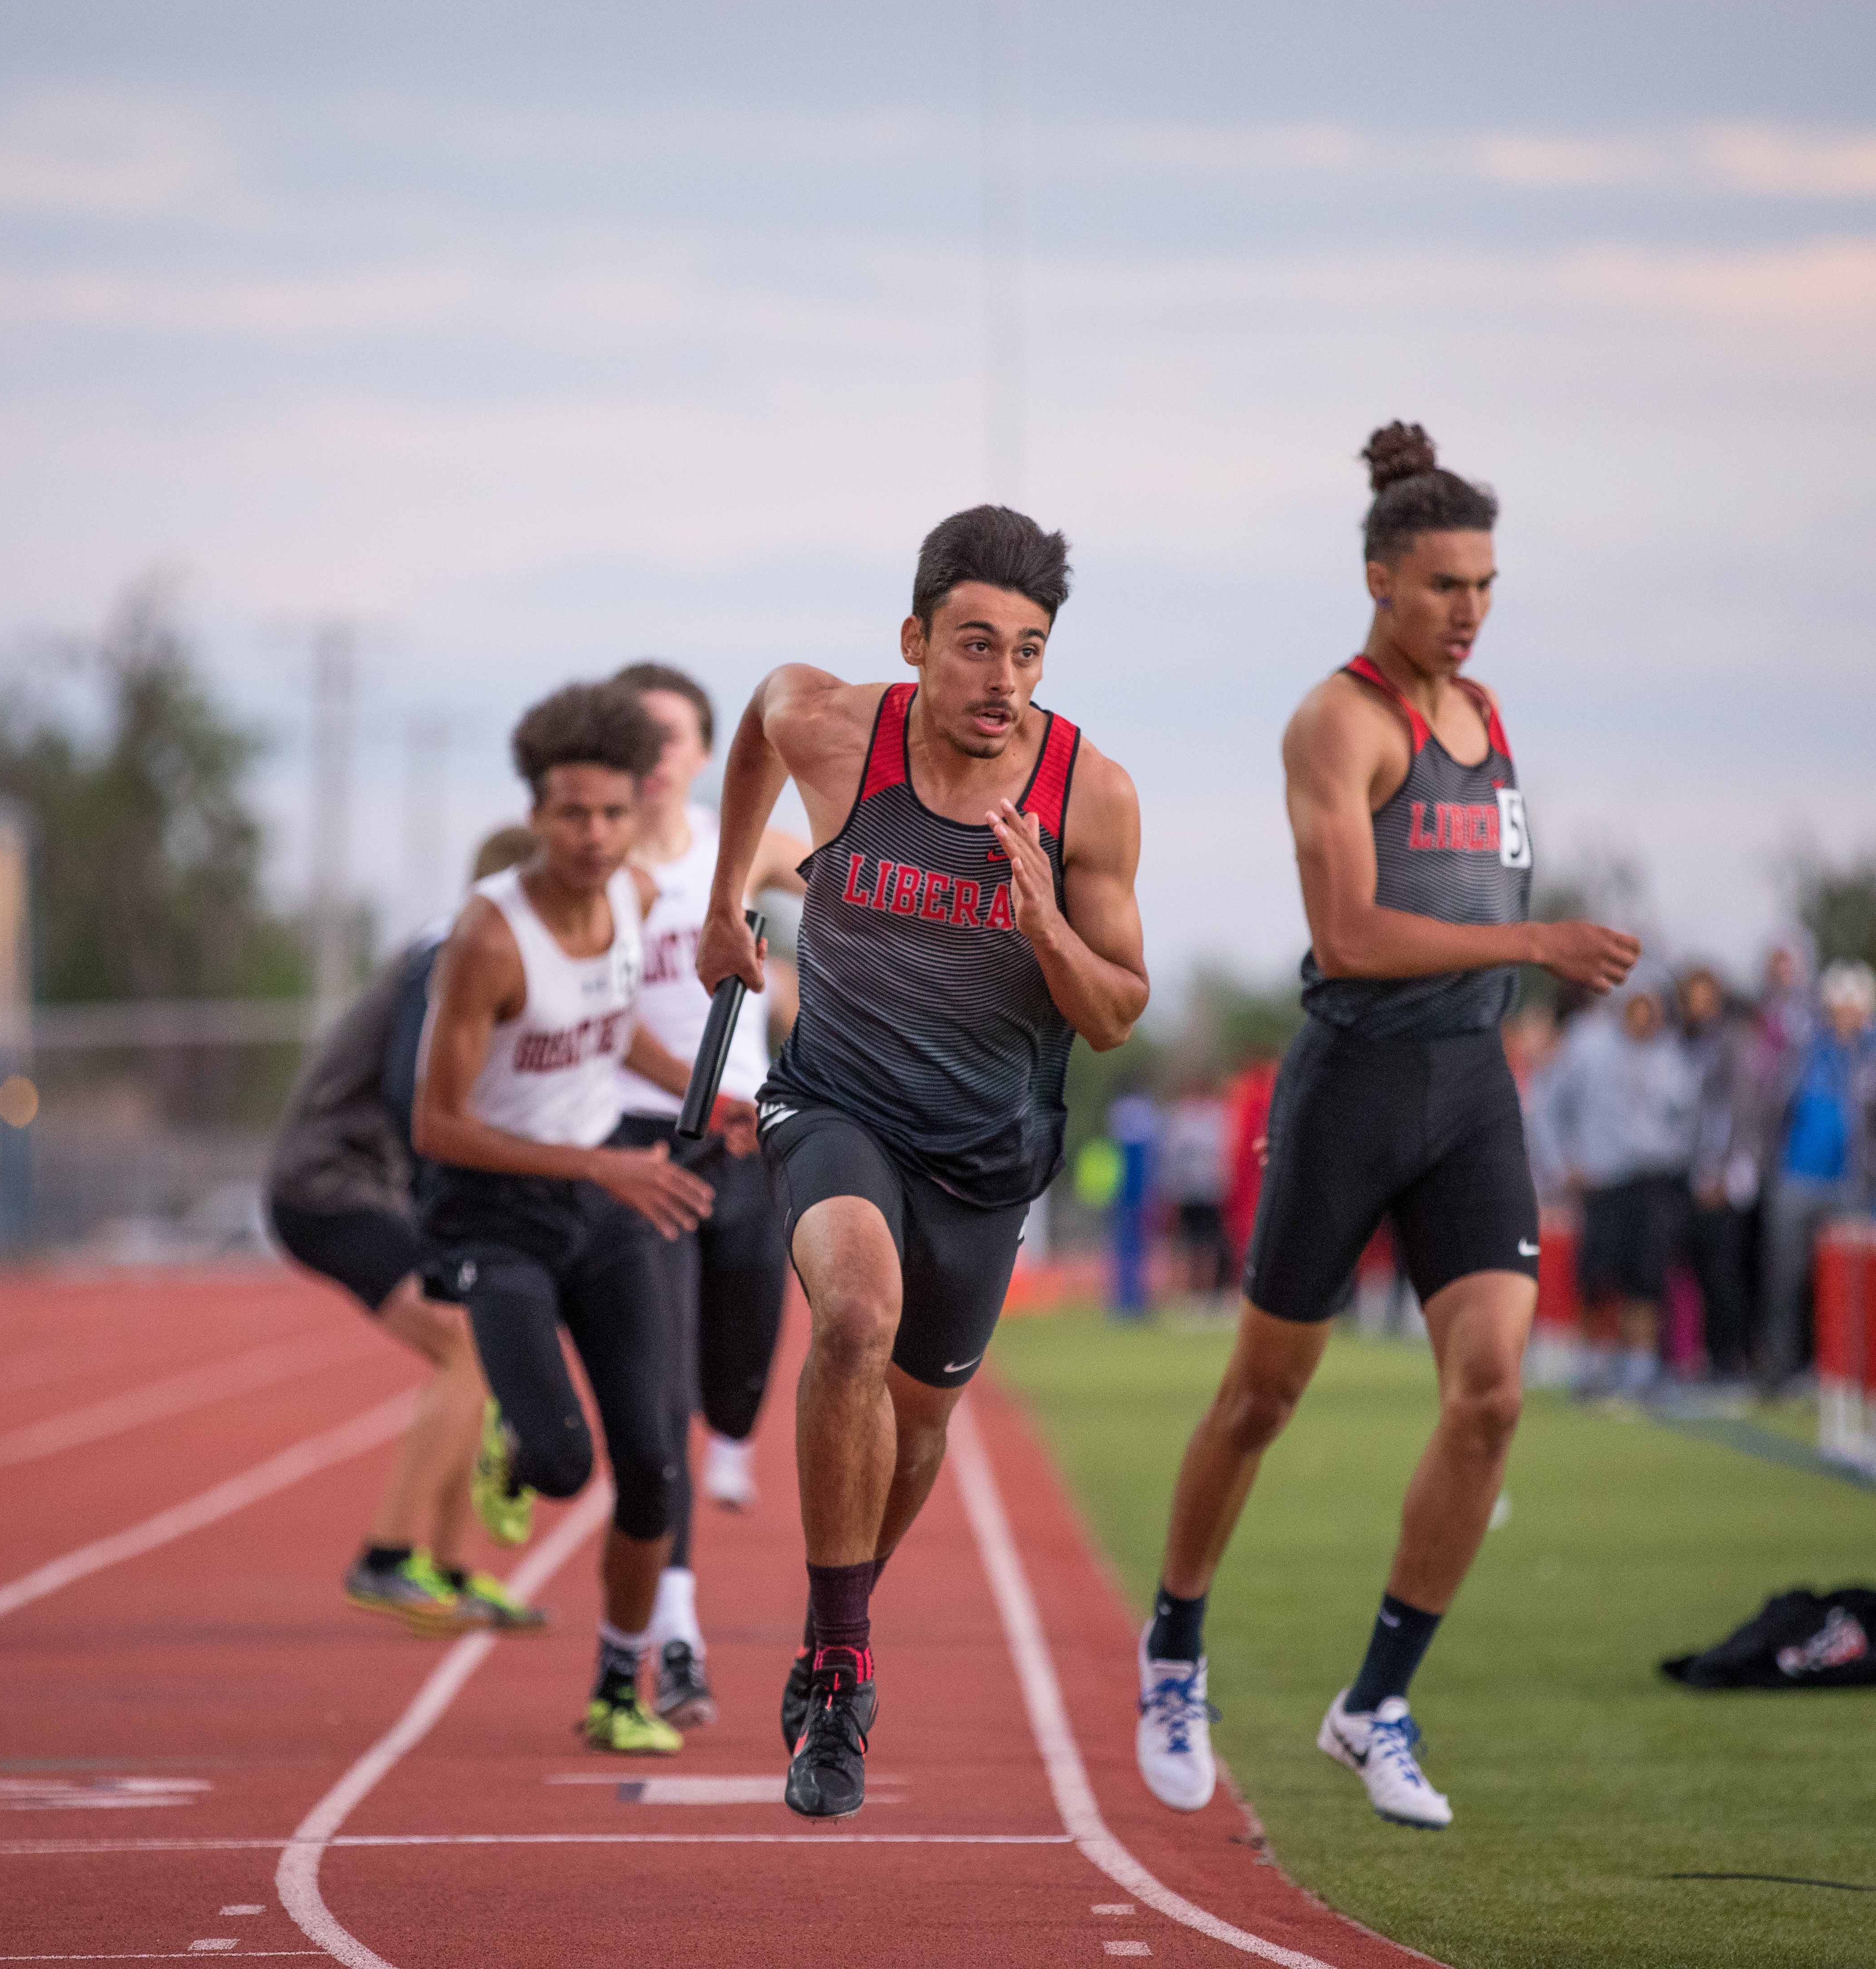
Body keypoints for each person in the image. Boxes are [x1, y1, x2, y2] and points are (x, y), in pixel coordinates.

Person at [1127, 425, 1636, 1828]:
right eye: (1438, 586)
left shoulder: (1486, 715)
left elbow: (1462, 916)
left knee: (1491, 1392)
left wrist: (1511, 970)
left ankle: (1375, 1701)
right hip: (1351, 1087)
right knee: (1261, 1394)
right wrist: (1535, 936)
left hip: (1469, 1091)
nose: (1465, 610)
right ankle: (1172, 1648)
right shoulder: (1339, 721)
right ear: (1375, 579)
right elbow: (1345, 932)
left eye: (1482, 583)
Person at [697, 504, 1148, 1819]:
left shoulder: (1088, 796)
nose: (999, 678)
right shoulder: (841, 728)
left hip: (986, 1155)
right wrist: (730, 900)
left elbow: (1115, 1013)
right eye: (971, 645)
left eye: (1025, 650)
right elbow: (760, 716)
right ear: (913, 639)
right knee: (853, 1311)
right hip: (835, 1104)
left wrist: (1043, 925)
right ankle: (843, 1668)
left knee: (920, 1419)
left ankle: (830, 1611)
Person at [416, 683, 749, 1756]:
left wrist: (711, 1098)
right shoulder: (488, 940)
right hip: (496, 1213)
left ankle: (620, 1684)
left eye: (611, 814)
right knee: (565, 1468)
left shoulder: (634, 899)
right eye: (572, 815)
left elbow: (611, 1039)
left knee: (653, 1463)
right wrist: (598, 1165)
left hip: (599, 1199)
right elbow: (436, 1125)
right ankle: (519, 1445)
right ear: (537, 813)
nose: (596, 836)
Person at [265, 825, 548, 1638]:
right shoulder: (448, 953)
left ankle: (451, 1572)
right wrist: (449, 1202)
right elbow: (409, 1089)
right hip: (330, 1184)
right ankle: (386, 1560)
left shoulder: (478, 959)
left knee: (483, 1343)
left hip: (374, 1182)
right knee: (469, 1345)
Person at [600, 661, 808, 1727]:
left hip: (747, 1152)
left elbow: (846, 880)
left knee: (735, 1388)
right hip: (644, 1151)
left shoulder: (749, 854)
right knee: (665, 1400)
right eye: (633, 738)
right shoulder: (596, 878)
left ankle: (731, 1440)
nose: (652, 757)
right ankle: (675, 1637)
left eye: (670, 736)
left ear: (698, 752)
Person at [1539, 961, 1696, 1404]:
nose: (1645, 1016)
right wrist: (1562, 1163)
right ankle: (1592, 1363)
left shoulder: (1673, 1056)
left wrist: (1679, 1159)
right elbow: (1547, 1107)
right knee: (1596, 1275)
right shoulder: (1587, 1044)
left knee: (1647, 1276)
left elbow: (1688, 1122)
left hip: (1653, 1177)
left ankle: (1640, 1370)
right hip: (1602, 1178)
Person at [1751, 961, 1876, 1395]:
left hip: (1851, 1183)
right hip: (1797, 1177)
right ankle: (1780, 1370)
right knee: (1785, 1279)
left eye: (1852, 1007)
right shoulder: (1803, 1053)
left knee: (1845, 1285)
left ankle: (1841, 1371)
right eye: (1837, 1006)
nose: (1844, 1015)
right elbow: (1772, 1111)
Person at [1678, 963, 1756, 1385]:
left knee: (1728, 1273)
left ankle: (1733, 1362)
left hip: (1723, 1174)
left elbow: (1740, 1110)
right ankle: (1710, 1359)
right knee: (1704, 1272)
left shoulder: (1732, 1040)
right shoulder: (1688, 1041)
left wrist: (1730, 1171)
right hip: (1694, 1172)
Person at [1160, 1083, 1235, 1298]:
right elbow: (1171, 1158)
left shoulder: (1216, 1118)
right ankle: (1193, 1293)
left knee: (1208, 1243)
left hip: (1210, 1191)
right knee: (1190, 1244)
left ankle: (1207, 1293)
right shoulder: (1180, 1119)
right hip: (1187, 1192)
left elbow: (1224, 1154)